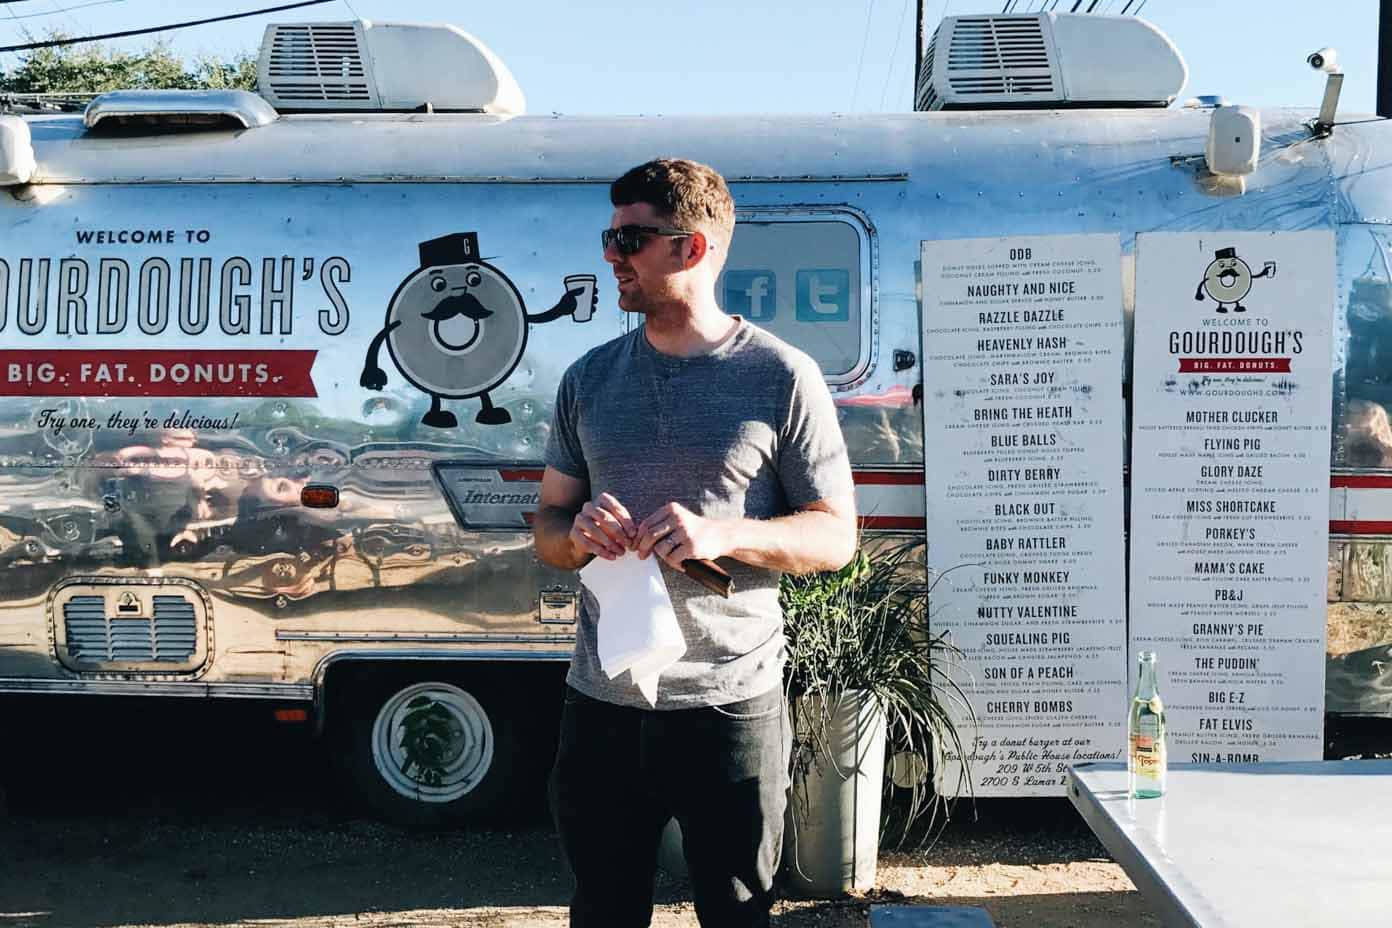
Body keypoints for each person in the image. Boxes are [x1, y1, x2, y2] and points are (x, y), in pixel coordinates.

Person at [533, 158, 857, 928]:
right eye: (609, 239)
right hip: (603, 702)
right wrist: (576, 536)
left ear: (693, 248)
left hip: (730, 706)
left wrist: (724, 533)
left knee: (737, 913)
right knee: (603, 911)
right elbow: (548, 525)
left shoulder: (781, 376)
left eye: (631, 240)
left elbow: (836, 535)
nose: (612, 256)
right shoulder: (589, 379)